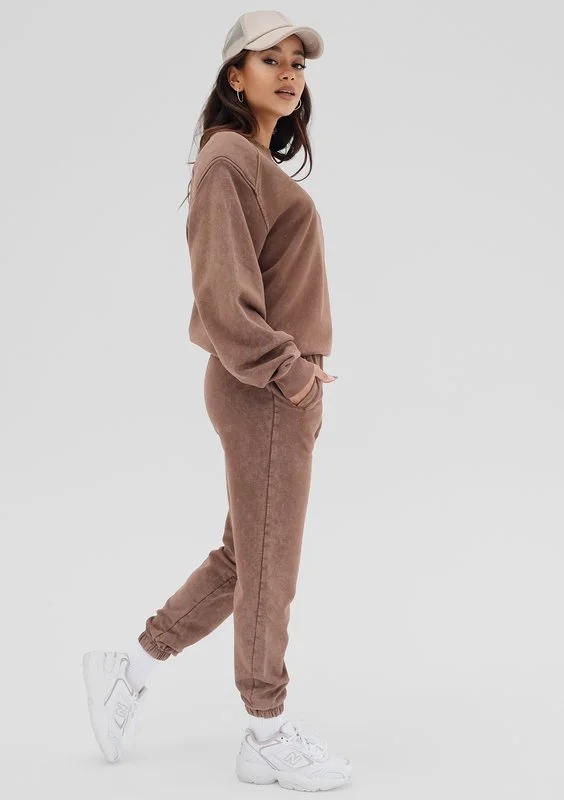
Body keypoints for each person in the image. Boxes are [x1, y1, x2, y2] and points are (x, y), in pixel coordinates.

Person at [82, 10, 352, 792]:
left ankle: (129, 669)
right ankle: (265, 731)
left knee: (245, 560)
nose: (289, 73)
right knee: (271, 567)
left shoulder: (250, 162)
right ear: (235, 76)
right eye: (271, 60)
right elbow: (223, 299)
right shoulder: (228, 158)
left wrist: (298, 373)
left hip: (274, 388)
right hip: (263, 389)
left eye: (299, 63)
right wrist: (289, 372)